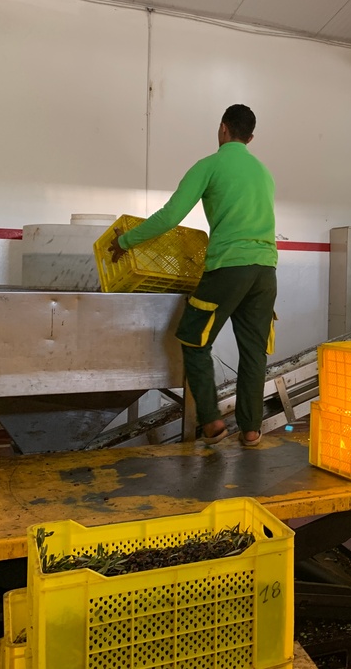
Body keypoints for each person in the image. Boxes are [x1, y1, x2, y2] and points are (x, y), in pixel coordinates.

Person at [109, 104, 277, 447]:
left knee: (193, 339)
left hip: (229, 268)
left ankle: (213, 423)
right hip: (266, 272)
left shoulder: (210, 166)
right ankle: (251, 429)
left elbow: (170, 215)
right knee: (254, 351)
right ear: (251, 136)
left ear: (223, 129)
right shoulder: (263, 172)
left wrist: (125, 241)